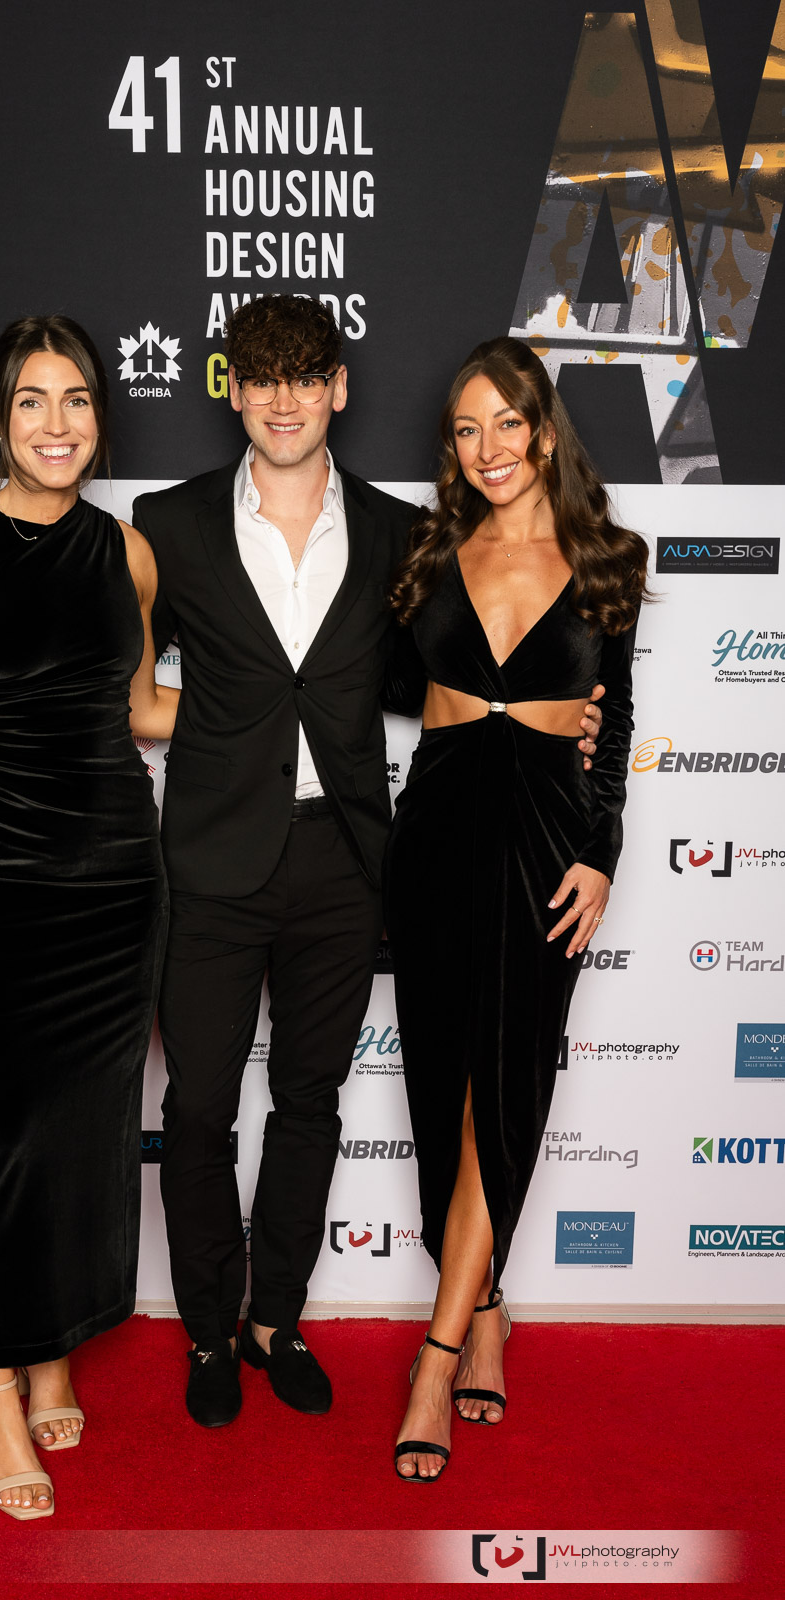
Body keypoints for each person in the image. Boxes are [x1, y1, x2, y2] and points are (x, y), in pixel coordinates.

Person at [131, 300, 605, 1429]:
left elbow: (444, 672)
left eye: (305, 377)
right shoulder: (166, 523)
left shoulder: (406, 536)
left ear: (337, 388)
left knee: (310, 1101)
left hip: (346, 861)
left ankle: (274, 1319)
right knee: (196, 1108)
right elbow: (127, 691)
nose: (283, 400)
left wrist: (562, 720)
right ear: (232, 390)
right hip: (211, 857)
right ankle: (208, 1328)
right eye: (260, 378)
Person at [0, 315, 176, 1520]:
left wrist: (282, 698)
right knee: (4, 1135)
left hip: (117, 881)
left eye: (77, 400)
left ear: (99, 418)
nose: (57, 424)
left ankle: (55, 1344)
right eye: (32, 401)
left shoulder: (128, 553)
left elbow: (138, 709)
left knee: (90, 1132)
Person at [384, 336, 647, 1482]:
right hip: (434, 831)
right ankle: (487, 1309)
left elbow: (612, 719)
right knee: (440, 1088)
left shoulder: (607, 557)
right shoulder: (427, 550)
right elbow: (368, 682)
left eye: (505, 422)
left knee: (506, 1083)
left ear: (542, 429)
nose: (486, 447)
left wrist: (600, 852)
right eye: (464, 428)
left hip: (545, 837)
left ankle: (436, 1357)